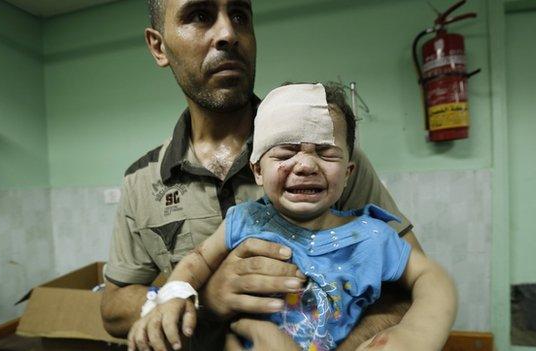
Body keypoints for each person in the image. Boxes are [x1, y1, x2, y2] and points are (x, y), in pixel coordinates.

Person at [100, 0, 430, 349]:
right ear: (158, 46)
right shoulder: (142, 179)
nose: (228, 33)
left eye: (240, 15)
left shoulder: (325, 162)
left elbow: (410, 288)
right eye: (200, 15)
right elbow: (112, 307)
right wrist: (204, 299)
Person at [127, 83, 457, 351]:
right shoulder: (244, 220)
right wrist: (173, 296)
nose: (305, 165)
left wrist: (412, 335)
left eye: (326, 154)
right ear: (257, 169)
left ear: (348, 173)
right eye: (285, 153)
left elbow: (433, 279)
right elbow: (197, 259)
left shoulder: (372, 236)